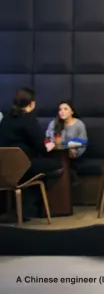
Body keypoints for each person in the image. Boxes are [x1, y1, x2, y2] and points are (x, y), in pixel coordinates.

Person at [0, 88, 62, 223]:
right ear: (32, 104)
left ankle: (19, 209)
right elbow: (42, 145)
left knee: (36, 170)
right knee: (57, 167)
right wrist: (51, 145)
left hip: (4, 170)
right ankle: (25, 208)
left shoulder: (6, 119)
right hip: (23, 167)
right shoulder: (28, 119)